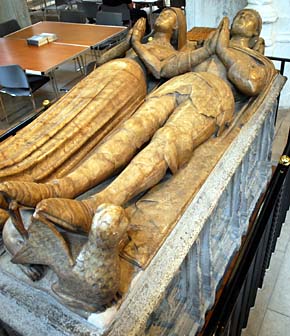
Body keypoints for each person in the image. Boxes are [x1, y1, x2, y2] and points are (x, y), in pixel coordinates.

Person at [0, 8, 273, 235]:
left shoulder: (257, 60)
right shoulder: (207, 48)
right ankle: (62, 187)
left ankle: (98, 204)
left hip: (214, 94)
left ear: (256, 34)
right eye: (241, 13)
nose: (242, 16)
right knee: (130, 132)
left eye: (249, 15)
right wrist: (205, 50)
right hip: (179, 85)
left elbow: (250, 83)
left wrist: (223, 49)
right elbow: (168, 68)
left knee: (168, 140)